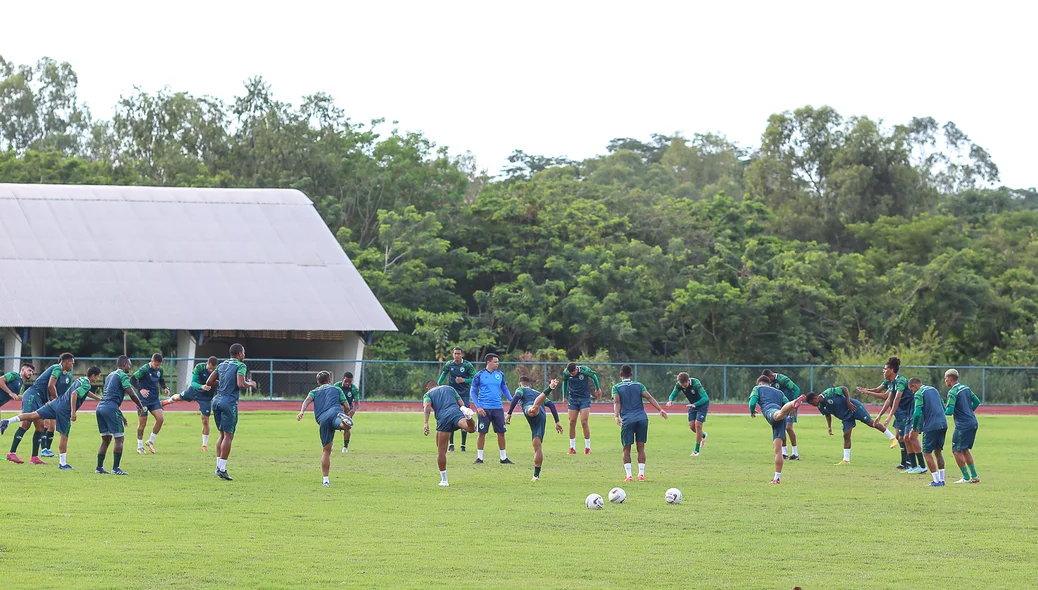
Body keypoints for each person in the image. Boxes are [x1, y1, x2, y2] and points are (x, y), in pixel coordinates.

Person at [1, 367, 103, 470]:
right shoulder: (84, 382)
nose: (98, 379)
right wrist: (73, 412)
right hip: (64, 409)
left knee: (34, 417)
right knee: (63, 435)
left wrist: (98, 398)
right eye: (98, 376)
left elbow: (85, 392)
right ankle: (62, 464)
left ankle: (7, 421)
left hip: (56, 403)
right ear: (93, 375)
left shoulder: (81, 379)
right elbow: (74, 393)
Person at [6, 353, 73, 464]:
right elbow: (50, 386)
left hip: (40, 399)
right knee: (26, 423)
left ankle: (34, 457)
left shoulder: (65, 375)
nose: (72, 365)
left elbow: (55, 391)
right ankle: (11, 453)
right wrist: (57, 402)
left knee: (40, 427)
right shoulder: (57, 368)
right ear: (66, 362)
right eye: (72, 362)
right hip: (33, 395)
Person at [857, 356, 921, 471]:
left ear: (891, 370)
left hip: (907, 412)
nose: (883, 371)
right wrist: (867, 391)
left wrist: (889, 415)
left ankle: (910, 463)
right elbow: (882, 394)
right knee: (899, 437)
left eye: (885, 369)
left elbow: (896, 399)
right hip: (899, 412)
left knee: (904, 437)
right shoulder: (889, 382)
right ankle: (907, 462)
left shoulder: (901, 381)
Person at [805, 386, 897, 464]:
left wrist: (848, 402)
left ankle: (892, 438)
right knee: (846, 435)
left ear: (815, 397)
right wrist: (829, 427)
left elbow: (844, 388)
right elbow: (827, 415)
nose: (814, 405)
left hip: (854, 407)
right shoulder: (820, 406)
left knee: (871, 423)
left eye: (813, 403)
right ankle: (846, 460)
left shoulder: (829, 393)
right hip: (846, 417)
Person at [205, 343, 256, 481]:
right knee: (228, 436)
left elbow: (209, 382)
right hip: (229, 402)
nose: (244, 355)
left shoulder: (221, 365)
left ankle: (218, 466)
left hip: (216, 401)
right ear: (239, 354)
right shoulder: (240, 365)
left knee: (222, 435)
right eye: (243, 352)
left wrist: (223, 383)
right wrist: (251, 383)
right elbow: (240, 384)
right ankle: (222, 469)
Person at [296, 371, 354, 487]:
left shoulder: (314, 391)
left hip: (322, 419)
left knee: (326, 451)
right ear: (330, 380)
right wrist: (346, 413)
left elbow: (307, 400)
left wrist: (302, 411)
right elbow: (347, 406)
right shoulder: (336, 389)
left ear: (318, 382)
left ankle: (325, 480)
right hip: (335, 413)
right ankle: (344, 422)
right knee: (343, 425)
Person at [612, 364, 668, 482]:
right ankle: (641, 474)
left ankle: (629, 475)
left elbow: (617, 402)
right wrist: (660, 409)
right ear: (631, 375)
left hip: (628, 419)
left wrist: (616, 416)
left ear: (620, 375)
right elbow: (649, 397)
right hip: (642, 418)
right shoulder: (639, 385)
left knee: (626, 448)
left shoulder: (616, 387)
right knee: (641, 447)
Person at [749, 376, 805, 484]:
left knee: (778, 414)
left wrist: (752, 411)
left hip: (771, 410)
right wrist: (791, 409)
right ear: (769, 383)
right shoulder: (779, 392)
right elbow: (785, 401)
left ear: (759, 383)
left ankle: (793, 403)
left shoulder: (758, 388)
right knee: (777, 448)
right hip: (782, 417)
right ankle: (777, 478)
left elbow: (752, 402)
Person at [95, 356, 146, 475]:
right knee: (119, 438)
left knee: (106, 439)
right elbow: (131, 393)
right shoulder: (122, 375)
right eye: (129, 364)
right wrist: (140, 405)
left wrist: (121, 416)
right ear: (124, 364)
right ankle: (116, 468)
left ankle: (99, 467)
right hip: (110, 407)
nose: (130, 366)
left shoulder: (109, 375)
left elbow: (109, 396)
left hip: (100, 407)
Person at [506, 376, 563, 481]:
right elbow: (551, 405)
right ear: (530, 384)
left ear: (520, 384)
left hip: (531, 409)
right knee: (537, 447)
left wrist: (509, 413)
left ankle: (549, 388)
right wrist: (557, 421)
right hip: (542, 417)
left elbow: (516, 397)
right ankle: (536, 476)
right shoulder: (537, 392)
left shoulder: (521, 389)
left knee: (533, 409)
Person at [423, 380, 477, 486]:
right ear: (437, 385)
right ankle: (468, 417)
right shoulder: (449, 388)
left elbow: (427, 407)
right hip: (456, 413)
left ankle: (444, 480)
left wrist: (426, 423)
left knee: (441, 451)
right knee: (470, 429)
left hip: (443, 419)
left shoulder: (428, 394)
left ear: (427, 388)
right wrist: (464, 409)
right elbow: (461, 403)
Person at [162, 356, 219, 451]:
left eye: (212, 369)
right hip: (194, 391)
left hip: (206, 397)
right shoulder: (199, 367)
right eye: (209, 368)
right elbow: (192, 383)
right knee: (178, 397)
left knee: (205, 420)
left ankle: (204, 445)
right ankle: (166, 402)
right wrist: (202, 386)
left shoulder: (218, 371)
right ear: (207, 364)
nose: (210, 371)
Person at [469, 353, 513, 465]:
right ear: (488, 362)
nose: (497, 364)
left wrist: (512, 399)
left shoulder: (500, 374)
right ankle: (479, 458)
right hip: (484, 409)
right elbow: (473, 391)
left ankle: (503, 458)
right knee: (482, 433)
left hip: (498, 408)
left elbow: (504, 388)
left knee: (501, 432)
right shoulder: (479, 375)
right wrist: (478, 406)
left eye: (498, 361)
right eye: (495, 361)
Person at [907, 378, 949, 487]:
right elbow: (943, 407)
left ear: (914, 386)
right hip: (943, 424)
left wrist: (915, 427)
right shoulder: (934, 389)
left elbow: (917, 413)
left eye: (911, 389)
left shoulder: (919, 393)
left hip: (931, 426)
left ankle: (936, 481)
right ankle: (942, 479)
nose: (912, 392)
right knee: (938, 451)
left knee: (926, 452)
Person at [943, 369, 980, 484]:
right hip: (973, 421)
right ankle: (974, 476)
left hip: (963, 425)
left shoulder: (952, 392)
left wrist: (939, 410)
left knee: (956, 450)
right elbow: (977, 401)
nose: (945, 381)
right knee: (964, 449)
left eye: (945, 378)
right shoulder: (965, 388)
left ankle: (966, 477)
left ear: (949, 378)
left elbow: (949, 411)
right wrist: (968, 411)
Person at [437, 347, 476, 452]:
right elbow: (444, 373)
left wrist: (464, 380)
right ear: (453, 355)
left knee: (466, 417)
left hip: (464, 395)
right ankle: (451, 444)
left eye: (459, 353)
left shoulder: (467, 365)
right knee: (450, 417)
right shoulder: (449, 364)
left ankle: (463, 445)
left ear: (462, 355)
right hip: (452, 395)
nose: (457, 355)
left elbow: (475, 378)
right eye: (455, 353)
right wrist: (438, 384)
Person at [131, 353, 170, 454]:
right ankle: (139, 446)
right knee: (142, 423)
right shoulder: (144, 369)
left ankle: (150, 441)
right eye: (156, 365)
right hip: (142, 400)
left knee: (160, 419)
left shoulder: (159, 370)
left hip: (154, 400)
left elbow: (161, 380)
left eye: (159, 365)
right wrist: (140, 389)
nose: (157, 367)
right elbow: (133, 379)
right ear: (151, 361)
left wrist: (165, 387)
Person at [561, 362, 601, 454]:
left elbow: (594, 376)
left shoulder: (584, 370)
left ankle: (587, 448)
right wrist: (564, 396)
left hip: (584, 399)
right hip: (573, 399)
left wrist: (597, 388)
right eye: (570, 373)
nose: (572, 374)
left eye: (573, 373)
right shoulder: (566, 372)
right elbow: (565, 382)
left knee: (584, 421)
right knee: (571, 422)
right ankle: (572, 448)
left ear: (576, 369)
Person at [665, 372, 709, 456]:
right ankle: (703, 435)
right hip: (692, 405)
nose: (683, 387)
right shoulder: (679, 384)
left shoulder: (696, 383)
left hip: (702, 404)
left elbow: (705, 398)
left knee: (698, 424)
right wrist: (670, 400)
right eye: (682, 385)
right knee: (692, 427)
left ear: (688, 381)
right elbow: (674, 393)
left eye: (685, 385)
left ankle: (696, 451)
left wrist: (695, 404)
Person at [762, 369, 801, 460]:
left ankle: (795, 453)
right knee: (781, 427)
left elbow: (796, 389)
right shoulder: (769, 384)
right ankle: (784, 453)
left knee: (788, 427)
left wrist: (793, 405)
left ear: (771, 376)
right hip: (779, 407)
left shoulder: (783, 379)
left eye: (769, 380)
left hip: (791, 406)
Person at [337, 372, 360, 453]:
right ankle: (330, 444)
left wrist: (353, 410)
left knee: (347, 428)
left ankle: (345, 447)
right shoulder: (336, 386)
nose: (347, 383)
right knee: (331, 427)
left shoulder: (354, 389)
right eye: (346, 381)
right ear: (342, 379)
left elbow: (357, 403)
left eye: (349, 382)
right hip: (336, 410)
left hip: (348, 411)